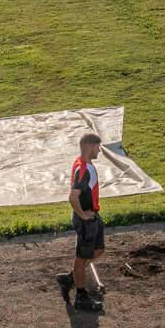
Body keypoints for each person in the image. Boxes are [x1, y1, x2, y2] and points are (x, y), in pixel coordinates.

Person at [60, 132, 108, 313]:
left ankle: (70, 279)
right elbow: (73, 197)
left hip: (93, 216)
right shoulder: (83, 169)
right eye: (97, 147)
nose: (99, 150)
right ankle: (81, 297)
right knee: (81, 258)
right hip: (86, 221)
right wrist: (83, 215)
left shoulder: (85, 164)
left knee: (98, 250)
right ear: (89, 147)